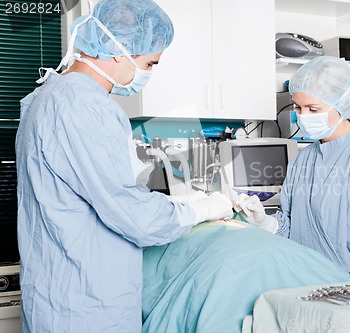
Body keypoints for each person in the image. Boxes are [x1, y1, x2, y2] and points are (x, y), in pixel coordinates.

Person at [15, 0, 232, 332]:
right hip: (87, 306)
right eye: (150, 62)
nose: (148, 72)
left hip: (54, 295)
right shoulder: (86, 107)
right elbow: (133, 216)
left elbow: (91, 193)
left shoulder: (46, 97)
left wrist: (181, 202)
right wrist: (204, 208)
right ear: (121, 50)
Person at [234, 56, 350, 280]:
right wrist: (264, 221)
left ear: (342, 104)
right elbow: (295, 230)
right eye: (298, 108)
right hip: (308, 283)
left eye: (313, 108)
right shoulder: (303, 160)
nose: (303, 116)